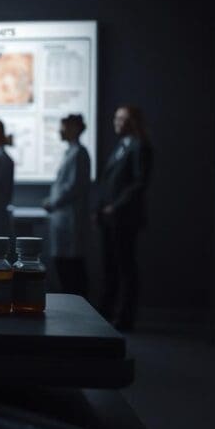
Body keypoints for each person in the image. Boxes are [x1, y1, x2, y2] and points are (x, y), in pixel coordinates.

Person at [95, 105, 153, 331]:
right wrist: (100, 209)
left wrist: (115, 207)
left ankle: (125, 317)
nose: (117, 122)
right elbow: (110, 181)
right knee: (110, 266)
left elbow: (140, 182)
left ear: (133, 121)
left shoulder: (141, 147)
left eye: (123, 119)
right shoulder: (122, 145)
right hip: (110, 218)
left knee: (125, 268)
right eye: (116, 118)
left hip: (125, 218)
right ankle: (106, 312)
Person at [42, 114, 91, 296]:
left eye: (63, 127)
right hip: (63, 217)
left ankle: (79, 308)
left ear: (75, 129)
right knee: (64, 265)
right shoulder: (71, 152)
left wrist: (53, 202)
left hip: (70, 218)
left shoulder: (79, 153)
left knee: (71, 267)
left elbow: (73, 186)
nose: (60, 131)